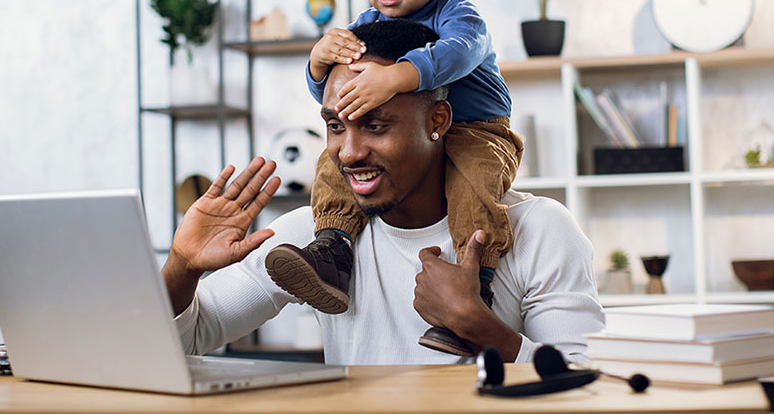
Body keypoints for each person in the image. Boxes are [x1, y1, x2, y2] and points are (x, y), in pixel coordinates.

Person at [162, 19, 604, 365]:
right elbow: (185, 341)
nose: (349, 152)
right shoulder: (312, 236)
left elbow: (591, 389)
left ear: (437, 121)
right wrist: (182, 267)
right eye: (336, 126)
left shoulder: (540, 231)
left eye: (375, 125)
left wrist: (477, 326)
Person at [264, 0, 523, 356]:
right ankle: (333, 252)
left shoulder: (458, 13)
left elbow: (459, 52)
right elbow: (340, 97)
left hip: (478, 128)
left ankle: (475, 287)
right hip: (413, 133)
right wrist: (318, 65)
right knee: (334, 163)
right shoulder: (368, 22)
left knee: (475, 186)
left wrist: (398, 77)